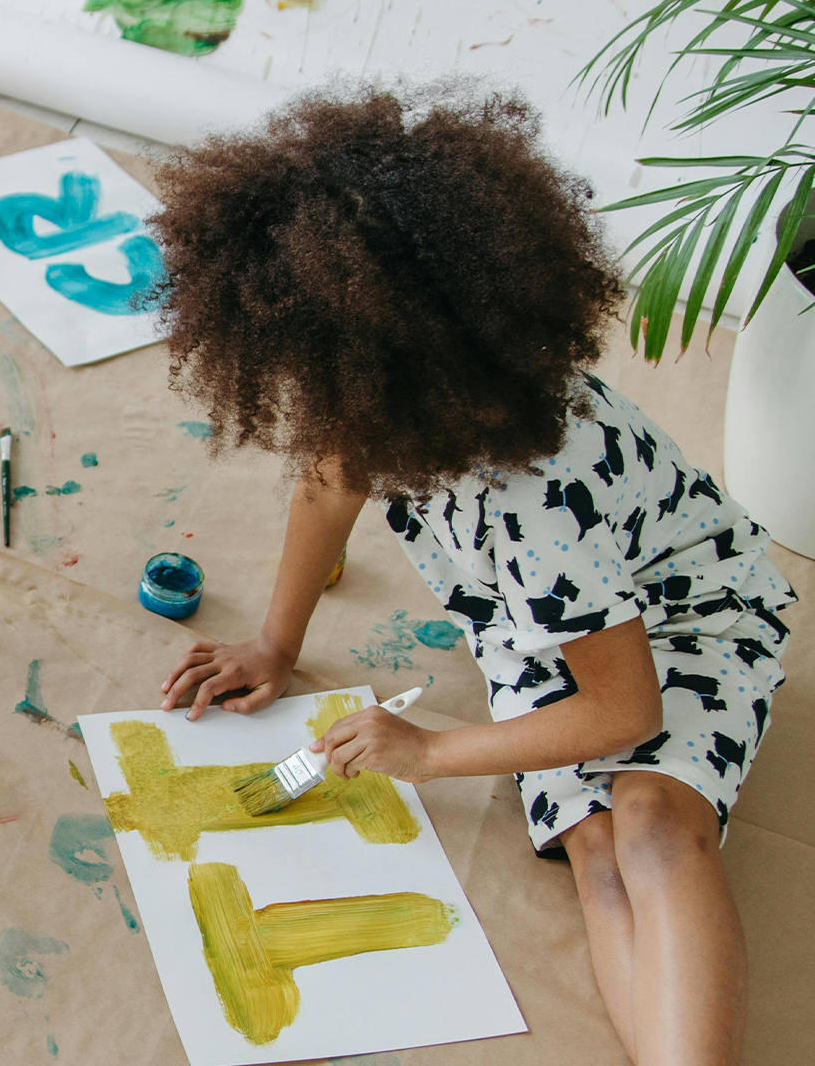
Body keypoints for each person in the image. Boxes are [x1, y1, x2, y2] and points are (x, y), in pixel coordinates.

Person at [151, 85, 793, 1066]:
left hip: (683, 625)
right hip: (539, 632)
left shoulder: (536, 500)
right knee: (595, 853)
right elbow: (328, 487)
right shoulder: (380, 400)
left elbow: (622, 713)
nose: (317, 407)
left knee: (655, 824)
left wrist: (427, 753)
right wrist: (277, 645)